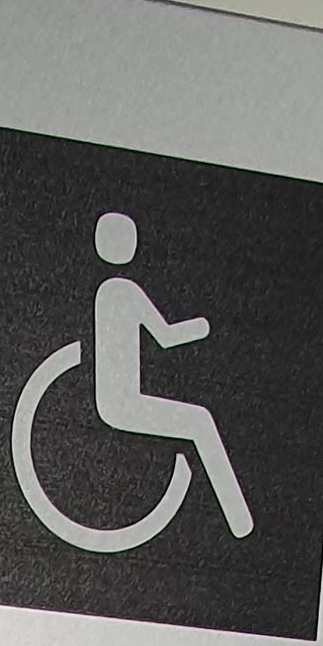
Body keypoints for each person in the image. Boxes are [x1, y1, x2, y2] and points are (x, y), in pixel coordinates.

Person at [87, 212, 253, 537]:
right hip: (124, 403)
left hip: (116, 399)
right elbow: (164, 337)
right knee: (199, 421)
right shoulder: (124, 291)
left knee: (198, 421)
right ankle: (238, 519)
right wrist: (200, 327)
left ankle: (239, 519)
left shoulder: (108, 291)